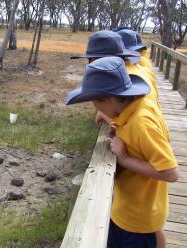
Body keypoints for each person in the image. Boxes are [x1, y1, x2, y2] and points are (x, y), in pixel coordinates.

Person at [66, 57, 179, 247]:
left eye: (94, 102)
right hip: (128, 208)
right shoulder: (133, 111)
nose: (94, 107)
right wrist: (116, 125)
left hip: (137, 221)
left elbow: (170, 173)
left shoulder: (142, 124)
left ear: (108, 99)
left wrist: (124, 159)